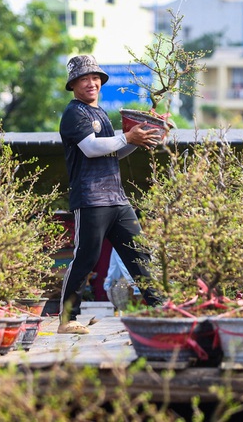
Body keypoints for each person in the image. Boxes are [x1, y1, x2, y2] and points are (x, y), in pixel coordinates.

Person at [57, 54, 163, 334]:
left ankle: (162, 311)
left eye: (95, 78)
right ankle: (67, 320)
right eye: (84, 78)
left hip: (117, 198)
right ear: (73, 84)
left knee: (140, 254)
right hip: (91, 198)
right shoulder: (74, 113)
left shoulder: (100, 113)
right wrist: (127, 137)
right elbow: (91, 148)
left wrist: (139, 139)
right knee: (86, 258)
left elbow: (112, 151)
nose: (91, 83)